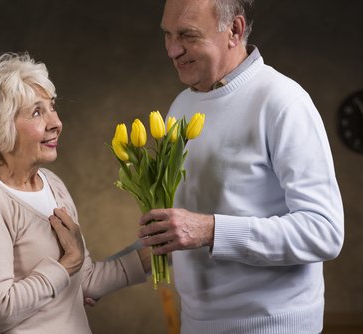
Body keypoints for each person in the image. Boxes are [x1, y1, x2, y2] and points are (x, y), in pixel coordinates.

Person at [138, 0, 344, 333]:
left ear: (233, 30)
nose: (172, 50)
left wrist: (210, 230)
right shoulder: (181, 107)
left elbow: (324, 232)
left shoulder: (283, 101)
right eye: (168, 34)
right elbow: (180, 232)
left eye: (187, 35)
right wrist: (91, 281)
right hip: (196, 325)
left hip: (273, 326)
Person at [0, 52, 150, 333]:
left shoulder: (53, 184)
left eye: (52, 107)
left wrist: (154, 254)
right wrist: (66, 264)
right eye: (36, 112)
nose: (55, 122)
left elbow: (84, 282)